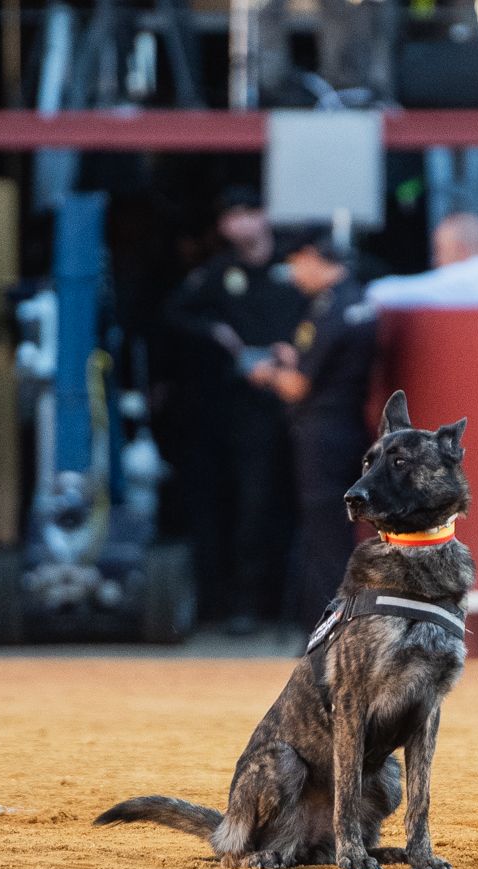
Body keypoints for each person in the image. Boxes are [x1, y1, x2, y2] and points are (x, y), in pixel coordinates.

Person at [165, 185, 306, 635]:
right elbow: (175, 313)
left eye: (250, 212)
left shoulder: (295, 262)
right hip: (246, 406)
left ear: (266, 215)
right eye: (232, 216)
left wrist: (300, 348)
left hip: (302, 396)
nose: (242, 223)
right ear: (223, 226)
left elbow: (330, 303)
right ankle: (246, 601)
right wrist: (219, 334)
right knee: (252, 502)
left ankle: (302, 602)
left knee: (309, 500)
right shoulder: (218, 273)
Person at [251, 230, 378, 633]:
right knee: (334, 534)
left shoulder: (329, 309)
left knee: (325, 539)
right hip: (348, 426)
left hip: (322, 433)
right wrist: (294, 358)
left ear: (310, 256)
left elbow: (298, 387)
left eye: (295, 264)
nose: (294, 275)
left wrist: (268, 374)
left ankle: (330, 630)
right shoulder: (357, 300)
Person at [364, 212, 478, 308]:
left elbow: (383, 294)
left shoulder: (476, 275)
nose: (435, 261)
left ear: (461, 250)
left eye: (440, 251)